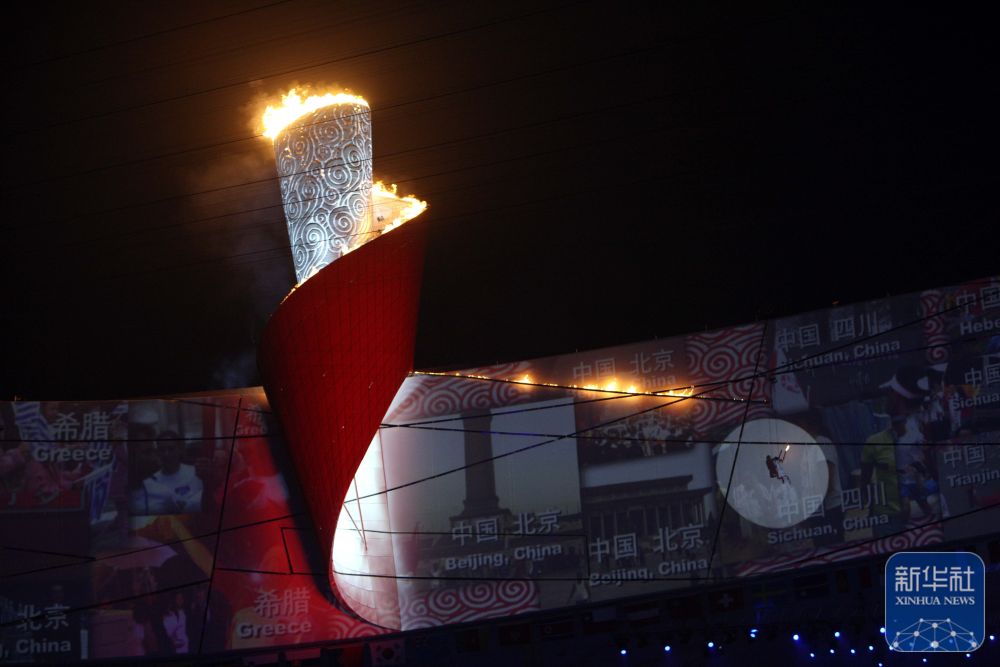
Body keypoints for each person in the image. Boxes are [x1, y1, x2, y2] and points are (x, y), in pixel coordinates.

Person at [130, 432, 203, 514]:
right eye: (162, 450)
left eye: (171, 449)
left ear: (180, 449)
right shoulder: (150, 482)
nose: (166, 454)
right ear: (157, 452)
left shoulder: (196, 473)